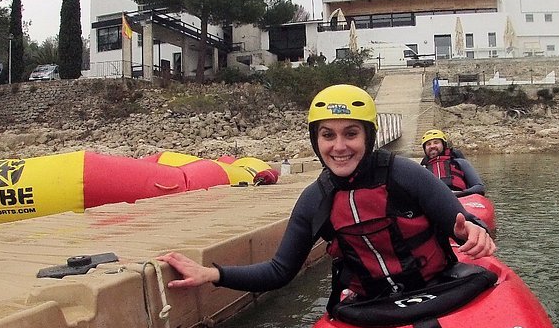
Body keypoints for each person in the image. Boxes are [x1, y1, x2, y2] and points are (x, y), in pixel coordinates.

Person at [159, 85, 495, 307]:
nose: (339, 146)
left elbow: (467, 225)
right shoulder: (314, 200)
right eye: (327, 135)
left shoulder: (405, 174)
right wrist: (213, 274)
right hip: (370, 308)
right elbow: (279, 272)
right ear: (315, 141)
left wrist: (475, 231)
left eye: (351, 133)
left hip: (438, 290)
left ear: (368, 136)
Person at [420, 129, 486, 196]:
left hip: (460, 199)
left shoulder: (460, 163)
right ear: (425, 149)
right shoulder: (421, 170)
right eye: (428, 144)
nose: (432, 146)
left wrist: (455, 194)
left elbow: (479, 188)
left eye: (436, 142)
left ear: (444, 145)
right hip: (432, 201)